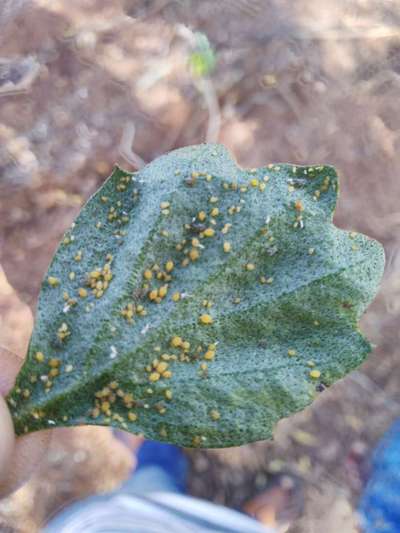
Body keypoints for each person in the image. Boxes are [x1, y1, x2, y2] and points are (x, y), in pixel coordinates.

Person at [0, 347, 275, 532]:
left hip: (102, 520)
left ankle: (147, 449)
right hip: (133, 518)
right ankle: (255, 519)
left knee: (149, 477)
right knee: (154, 475)